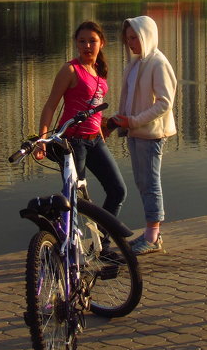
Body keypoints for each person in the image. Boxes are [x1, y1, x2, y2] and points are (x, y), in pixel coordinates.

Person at [35, 20, 127, 218]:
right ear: (76, 44)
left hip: (95, 140)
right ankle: (62, 241)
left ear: (101, 43)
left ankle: (103, 242)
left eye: (92, 41)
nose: (87, 46)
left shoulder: (100, 71)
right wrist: (42, 139)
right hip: (73, 141)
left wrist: (101, 131)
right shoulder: (70, 70)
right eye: (82, 41)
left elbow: (95, 107)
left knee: (118, 190)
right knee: (75, 197)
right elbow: (51, 105)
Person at [110, 15, 177, 255]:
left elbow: (165, 103)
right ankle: (151, 232)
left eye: (135, 37)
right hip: (134, 131)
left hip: (150, 133)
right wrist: (120, 120)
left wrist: (135, 120)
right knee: (142, 181)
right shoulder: (136, 63)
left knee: (150, 182)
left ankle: (152, 236)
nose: (131, 42)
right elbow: (129, 98)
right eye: (128, 38)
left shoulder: (158, 63)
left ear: (147, 35)